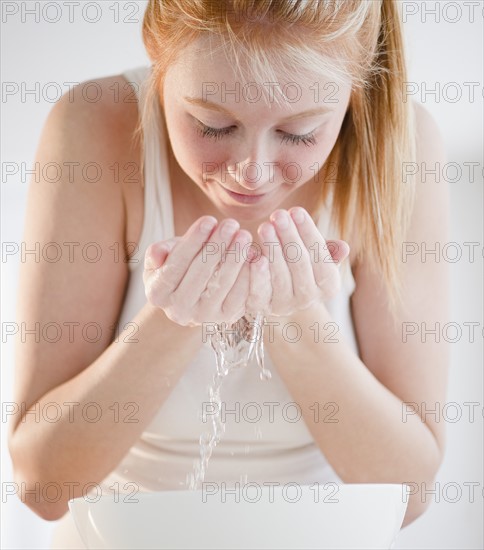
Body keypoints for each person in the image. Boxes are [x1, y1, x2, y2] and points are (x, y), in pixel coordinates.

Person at [8, 1, 450, 548]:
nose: (252, 172)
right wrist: (171, 321)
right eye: (212, 124)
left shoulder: (397, 147)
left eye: (300, 132)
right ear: (159, 61)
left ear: (356, 90)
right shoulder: (96, 126)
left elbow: (408, 494)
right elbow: (43, 485)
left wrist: (298, 321)